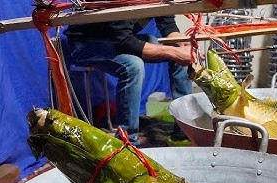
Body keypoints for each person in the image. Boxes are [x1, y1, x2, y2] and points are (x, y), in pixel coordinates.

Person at [64, 16, 194, 145]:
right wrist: (172, 52)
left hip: (116, 38)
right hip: (85, 43)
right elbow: (124, 41)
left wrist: (177, 39)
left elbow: (167, 22)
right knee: (133, 65)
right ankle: (127, 140)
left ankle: (184, 130)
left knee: (179, 51)